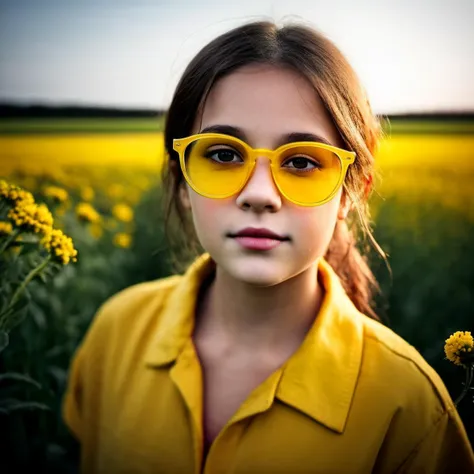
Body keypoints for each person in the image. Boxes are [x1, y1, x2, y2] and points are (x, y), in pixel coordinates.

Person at [61, 19, 474, 474]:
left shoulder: (411, 407)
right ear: (181, 181)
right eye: (223, 154)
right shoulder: (115, 333)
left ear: (350, 193)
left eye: (301, 161)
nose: (259, 194)